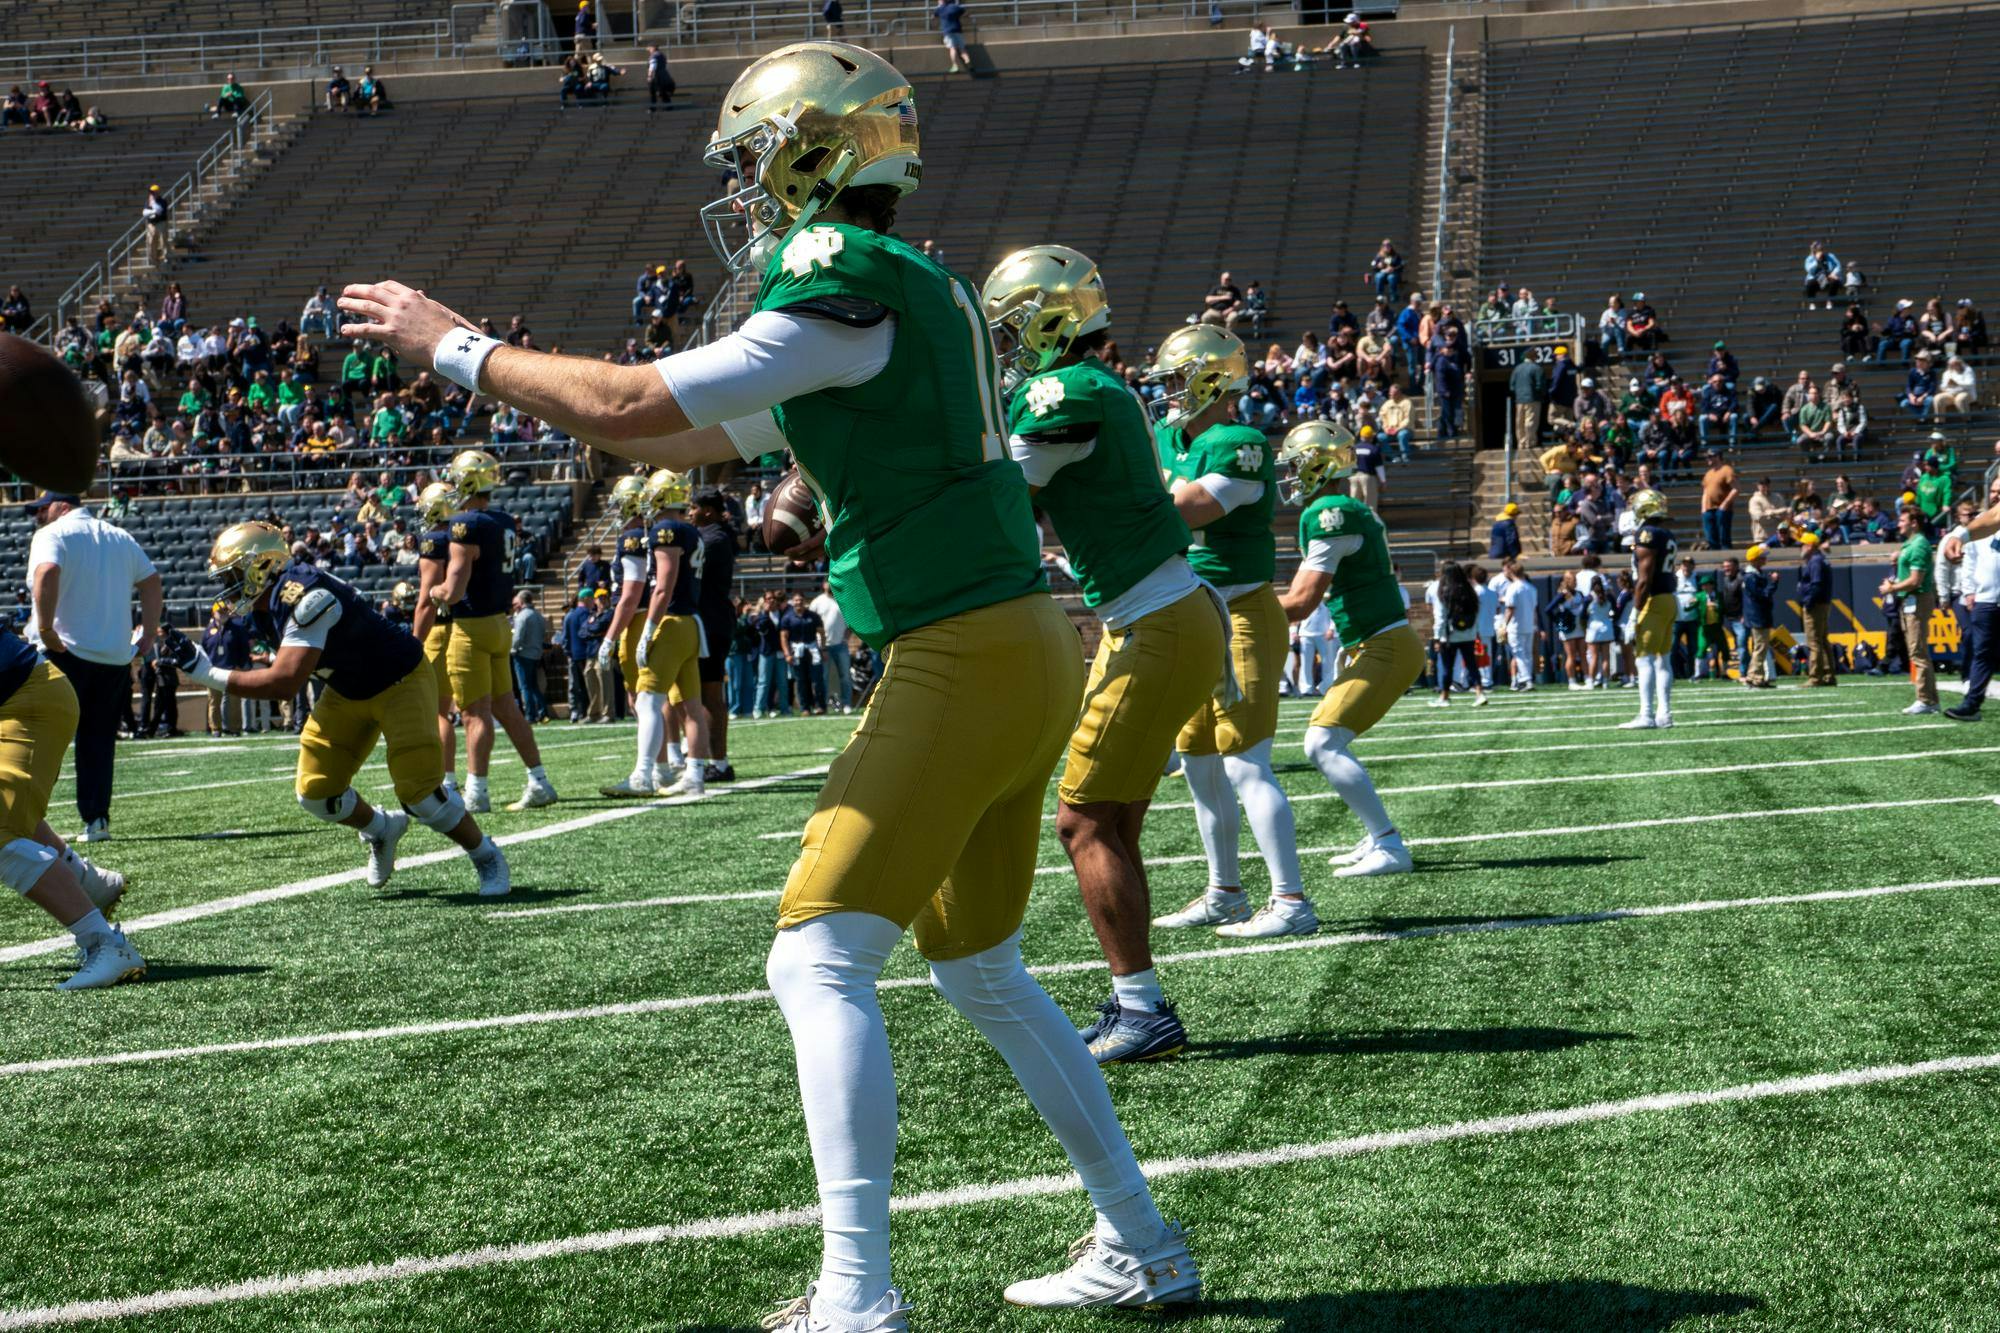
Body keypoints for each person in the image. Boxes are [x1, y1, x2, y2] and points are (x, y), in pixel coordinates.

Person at [339, 43, 1195, 1319]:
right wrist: (577, 408)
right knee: (981, 970)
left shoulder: (836, 277)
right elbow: (686, 429)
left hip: (960, 645)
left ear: (808, 154)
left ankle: (855, 1292)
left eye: (753, 161)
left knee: (815, 963)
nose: (745, 191)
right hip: (1020, 640)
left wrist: (459, 350)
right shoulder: (908, 289)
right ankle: (1141, 1240)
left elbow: (637, 400)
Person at [984, 251, 1222, 1065]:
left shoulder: (1067, 390)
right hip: (1158, 615)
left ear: (1050, 320)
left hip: (1154, 620)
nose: (1009, 342)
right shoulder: (1093, 388)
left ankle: (1143, 1007)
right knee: (1114, 819)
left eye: (1016, 323)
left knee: (1081, 821)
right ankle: (1136, 999)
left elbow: (1000, 495)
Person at [167, 523, 510, 896]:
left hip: (399, 681)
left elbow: (285, 682)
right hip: (347, 688)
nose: (227, 587)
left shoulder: (306, 596)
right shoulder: (266, 603)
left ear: (261, 566)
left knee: (422, 795)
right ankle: (381, 829)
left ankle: (485, 853)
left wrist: (206, 673)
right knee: (315, 792)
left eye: (233, 575)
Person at [1145, 327, 1307, 941]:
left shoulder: (1239, 442)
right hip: (1189, 610)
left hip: (1240, 610)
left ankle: (1290, 899)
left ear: (1207, 378)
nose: (1164, 390)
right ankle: (1225, 892)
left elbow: (1187, 510)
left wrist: (1127, 504)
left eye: (1172, 377)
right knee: (1198, 765)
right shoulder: (1167, 435)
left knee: (1245, 764)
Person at [1272, 423, 1422, 877]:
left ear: (1320, 465)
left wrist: (1230, 606)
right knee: (1328, 740)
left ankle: (1389, 844)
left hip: (1385, 643)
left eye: (1298, 465)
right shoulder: (1342, 509)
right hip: (1374, 643)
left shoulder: (1331, 512)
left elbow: (1300, 602)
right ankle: (1377, 835)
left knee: (1322, 742)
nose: (1293, 476)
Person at [0, 624, 144, 988]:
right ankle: (87, 881)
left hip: (26, 699)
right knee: (10, 813)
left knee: (1, 827)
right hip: (21, 693)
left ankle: (106, 944)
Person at [26, 492, 161, 842]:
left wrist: (44, 629)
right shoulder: (120, 536)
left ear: (62, 506)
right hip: (113, 657)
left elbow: (47, 571)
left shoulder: (53, 534)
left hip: (66, 652)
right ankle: (97, 820)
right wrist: (147, 633)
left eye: (43, 508)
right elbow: (151, 581)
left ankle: (21, 818)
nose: (39, 515)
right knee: (98, 741)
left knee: (41, 738)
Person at [436, 450, 559, 813]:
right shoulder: (503, 520)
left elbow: (454, 588)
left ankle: (477, 791)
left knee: (475, 713)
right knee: (507, 707)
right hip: (500, 624)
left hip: (471, 628)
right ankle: (539, 780)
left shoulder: (464, 524)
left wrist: (434, 592)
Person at [605, 469, 715, 797]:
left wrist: (649, 627)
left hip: (671, 622)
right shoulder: (692, 531)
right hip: (691, 623)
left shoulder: (666, 529)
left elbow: (663, 587)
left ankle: (643, 775)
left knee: (648, 700)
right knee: (691, 705)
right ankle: (694, 775)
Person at [410, 483, 462, 796]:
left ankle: (446, 780)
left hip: (440, 629)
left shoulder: (434, 540)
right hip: (467, 623)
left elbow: (427, 599)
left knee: (437, 712)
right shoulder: (462, 533)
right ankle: (456, 781)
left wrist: (415, 641)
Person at [689, 487, 741, 779]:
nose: (690, 513)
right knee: (698, 693)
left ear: (707, 510)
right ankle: (702, 757)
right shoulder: (712, 536)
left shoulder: (714, 539)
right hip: (709, 621)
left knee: (709, 694)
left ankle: (719, 763)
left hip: (710, 623)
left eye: (693, 508)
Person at [1618, 489, 1677, 728]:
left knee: (1644, 659)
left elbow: (1644, 578)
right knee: (1663, 660)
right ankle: (1665, 714)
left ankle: (1646, 714)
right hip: (1668, 599)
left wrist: (1633, 613)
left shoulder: (1647, 533)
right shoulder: (1666, 533)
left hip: (1652, 600)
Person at [1881, 504, 1939, 715]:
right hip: (1911, 600)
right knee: (1917, 650)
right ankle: (1930, 699)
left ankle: (1925, 699)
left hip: (1917, 599)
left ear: (1913, 523)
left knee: (1918, 651)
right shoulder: (1911, 543)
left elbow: (1915, 580)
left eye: (1902, 520)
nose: (1898, 524)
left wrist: (1892, 587)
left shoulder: (1919, 545)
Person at [1797, 532, 1835, 686]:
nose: (1801, 547)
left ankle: (1815, 677)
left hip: (1816, 606)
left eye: (1803, 544)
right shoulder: (1819, 560)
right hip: (1822, 604)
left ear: (1810, 546)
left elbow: (1816, 584)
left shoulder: (1815, 561)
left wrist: (1808, 602)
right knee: (1822, 640)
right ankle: (1828, 674)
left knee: (1814, 642)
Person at [809, 581, 851, 714]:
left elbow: (851, 621)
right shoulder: (817, 602)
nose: (830, 585)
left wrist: (846, 637)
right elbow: (810, 623)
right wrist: (819, 645)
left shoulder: (843, 599)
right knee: (823, 677)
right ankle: (824, 705)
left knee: (845, 676)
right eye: (827, 582)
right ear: (823, 585)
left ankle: (847, 704)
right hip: (823, 647)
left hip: (841, 645)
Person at [509, 591, 548, 724]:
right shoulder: (539, 616)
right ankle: (543, 713)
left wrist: (512, 650)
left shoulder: (522, 617)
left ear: (521, 602)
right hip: (536, 654)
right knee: (534, 686)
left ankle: (530, 715)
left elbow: (518, 637)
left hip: (523, 654)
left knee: (524, 687)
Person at [1699, 451, 1738, 551]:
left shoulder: (1727, 470)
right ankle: (1714, 555)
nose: (1708, 459)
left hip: (1722, 508)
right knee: (1711, 536)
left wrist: (1725, 504)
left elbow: (1735, 489)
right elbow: (1705, 492)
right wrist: (1703, 508)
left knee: (1723, 536)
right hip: (1709, 509)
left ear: (1718, 457)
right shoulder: (1708, 473)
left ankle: (1726, 555)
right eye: (1707, 457)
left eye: (1710, 457)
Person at [1802, 241, 1842, 309]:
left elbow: (1838, 266)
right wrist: (1816, 261)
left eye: (1821, 249)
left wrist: (1833, 273)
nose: (1821, 251)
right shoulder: (1809, 259)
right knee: (1809, 283)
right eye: (1818, 250)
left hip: (1829, 278)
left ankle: (1830, 301)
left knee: (1835, 281)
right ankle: (1812, 302)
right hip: (1817, 280)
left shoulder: (1830, 256)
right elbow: (1809, 270)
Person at [936, 0, 972, 72]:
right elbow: (966, 13)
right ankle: (967, 60)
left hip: (948, 31)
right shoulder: (955, 7)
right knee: (962, 49)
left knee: (953, 48)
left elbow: (934, 16)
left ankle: (955, 65)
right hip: (958, 30)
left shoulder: (940, 9)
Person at [645, 44, 675, 110]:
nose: (649, 50)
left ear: (653, 48)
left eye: (649, 49)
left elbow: (652, 66)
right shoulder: (662, 55)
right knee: (662, 92)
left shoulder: (654, 56)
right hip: (664, 76)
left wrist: (649, 76)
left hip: (656, 77)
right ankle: (669, 106)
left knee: (653, 93)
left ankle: (653, 108)